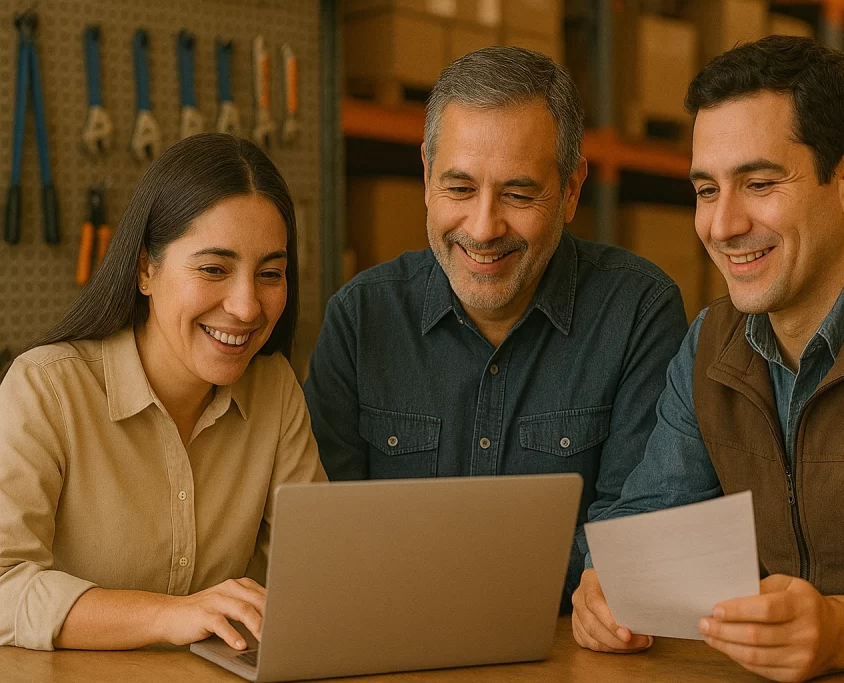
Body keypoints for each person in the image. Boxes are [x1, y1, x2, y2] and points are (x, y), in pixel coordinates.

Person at [571, 36, 844, 680]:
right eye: (706, 189)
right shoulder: (707, 345)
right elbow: (649, 526)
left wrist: (840, 631)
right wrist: (604, 585)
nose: (722, 225)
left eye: (758, 183)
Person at [304, 46, 688, 610]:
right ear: (428, 175)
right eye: (459, 189)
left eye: (518, 193)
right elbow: (325, 540)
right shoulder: (360, 319)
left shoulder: (638, 314)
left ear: (572, 189)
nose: (483, 228)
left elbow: (631, 540)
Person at [0, 134, 326, 652]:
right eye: (213, 269)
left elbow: (315, 572)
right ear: (145, 270)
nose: (246, 306)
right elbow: (3, 586)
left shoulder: (276, 389)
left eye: (270, 274)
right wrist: (171, 616)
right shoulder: (45, 389)